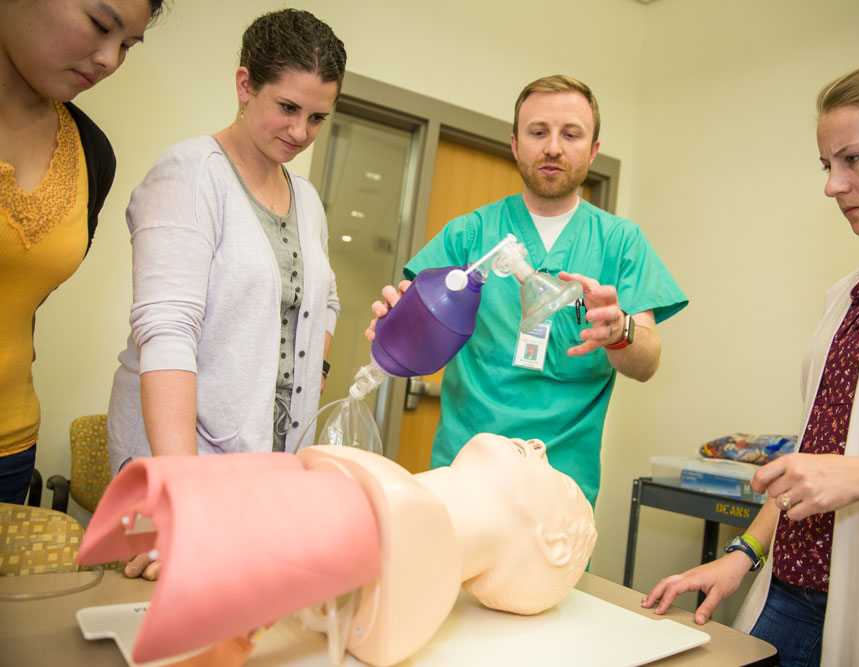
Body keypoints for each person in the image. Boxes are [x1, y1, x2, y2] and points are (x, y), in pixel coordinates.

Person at [643, 58, 859, 667]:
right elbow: (816, 460)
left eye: (852, 159)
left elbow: (844, 471)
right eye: (826, 165)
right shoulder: (850, 292)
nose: (832, 185)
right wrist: (742, 556)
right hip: (791, 592)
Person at [369, 75, 688, 505]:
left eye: (570, 134)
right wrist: (398, 325)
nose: (553, 146)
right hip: (463, 474)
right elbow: (412, 332)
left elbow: (647, 361)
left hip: (561, 485)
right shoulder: (468, 234)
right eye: (538, 132)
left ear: (593, 151)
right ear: (516, 144)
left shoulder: (620, 242)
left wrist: (621, 331)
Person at [106, 9, 345, 576]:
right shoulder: (189, 175)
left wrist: (298, 378)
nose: (300, 132)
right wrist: (177, 490)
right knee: (154, 614)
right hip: (175, 461)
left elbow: (324, 300)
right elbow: (166, 332)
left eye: (317, 117)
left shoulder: (305, 198)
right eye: (288, 107)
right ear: (245, 85)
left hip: (266, 462)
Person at [78, 433, 597, 666]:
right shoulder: (383, 495)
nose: (538, 447)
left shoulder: (401, 528)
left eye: (553, 474)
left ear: (552, 544)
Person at [0, 0, 166, 505]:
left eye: (127, 46)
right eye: (100, 26)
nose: (110, 60)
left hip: (9, 444)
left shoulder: (91, 152)